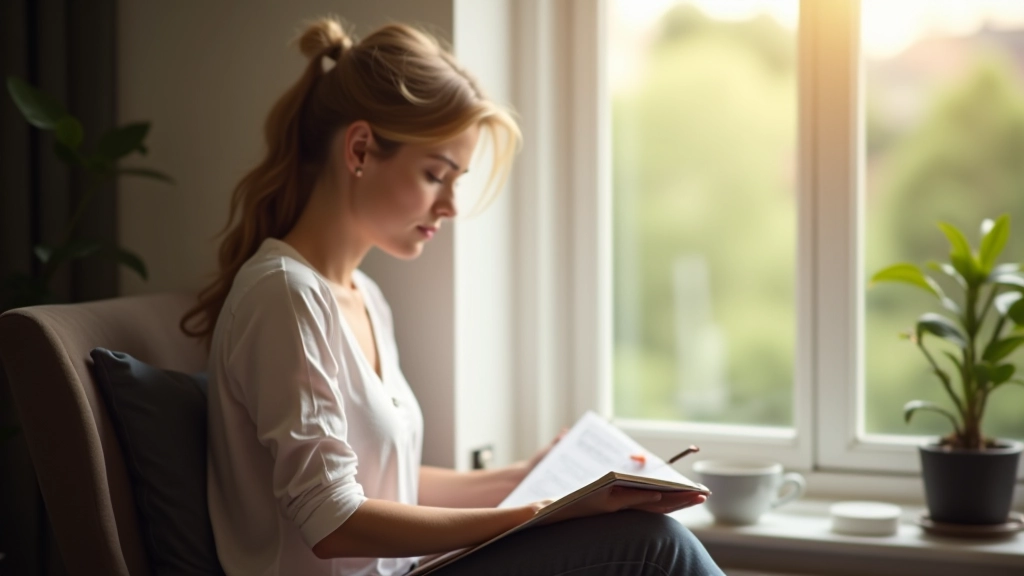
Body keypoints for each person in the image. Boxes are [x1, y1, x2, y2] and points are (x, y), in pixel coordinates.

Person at [181, 16, 725, 576]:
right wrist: (538, 514)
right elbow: (333, 521)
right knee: (653, 545)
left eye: (456, 180)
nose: (450, 206)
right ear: (360, 149)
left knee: (649, 540)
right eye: (435, 174)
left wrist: (528, 476)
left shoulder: (364, 297)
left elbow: (389, 485)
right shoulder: (285, 297)